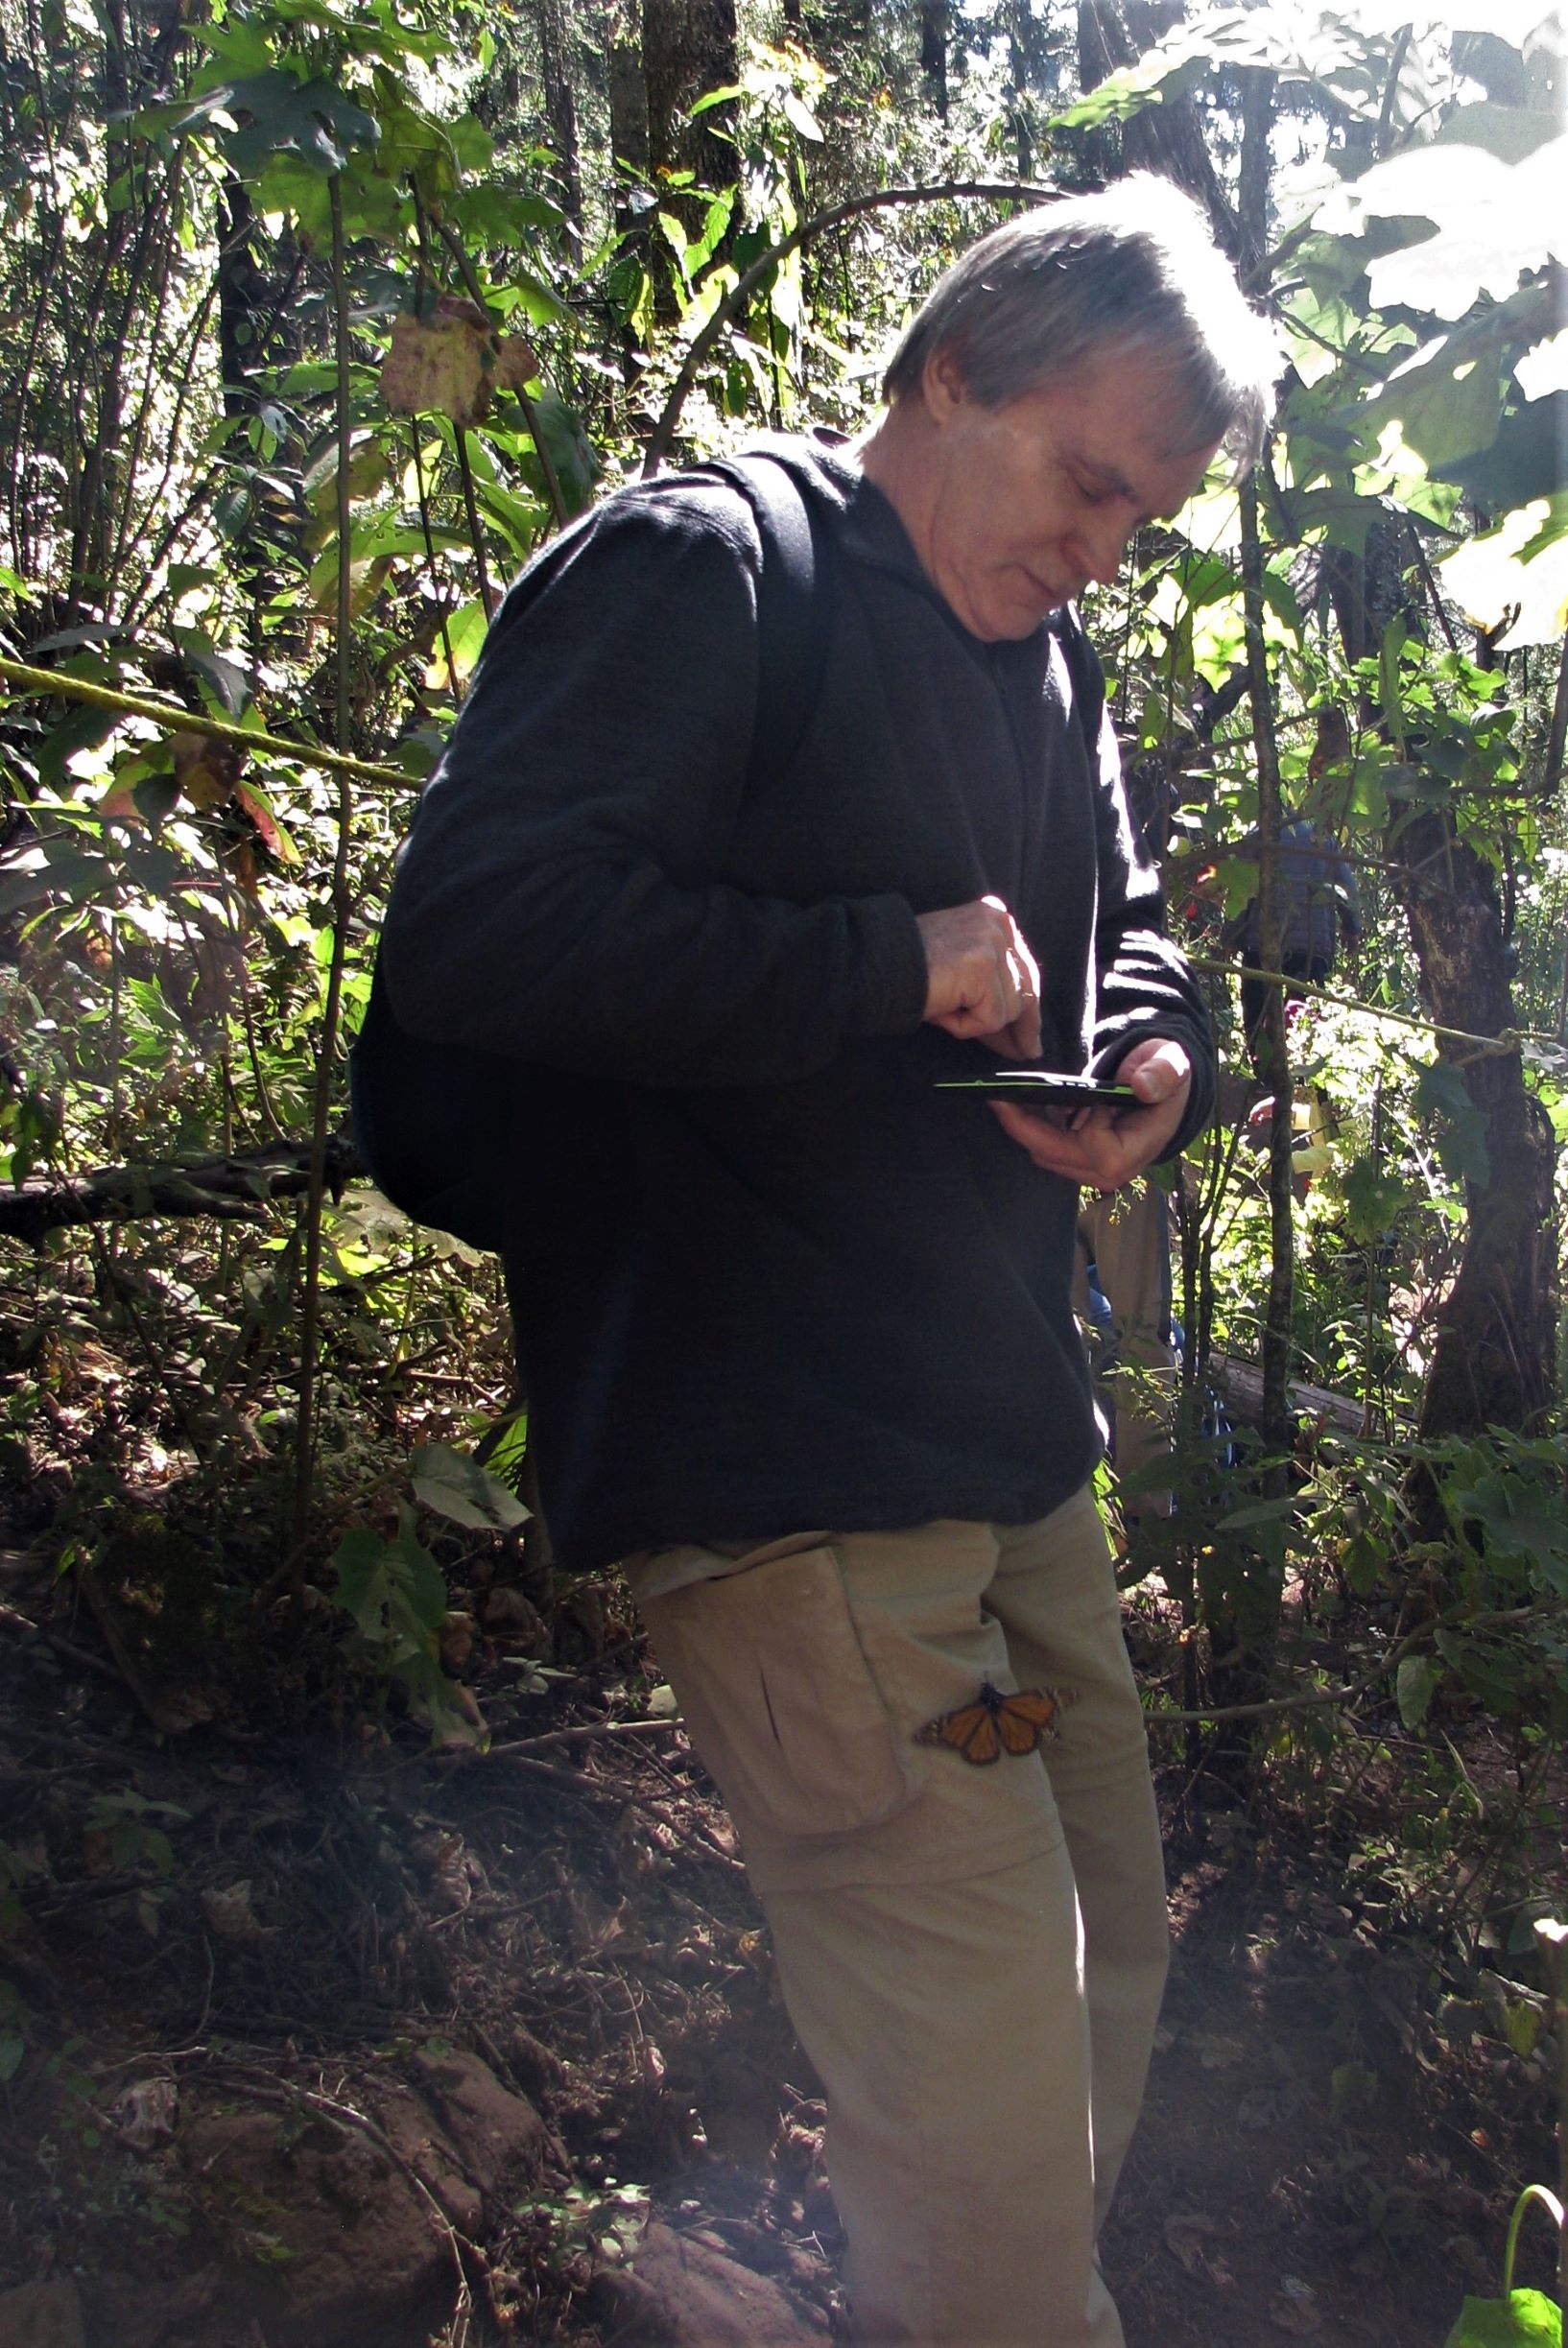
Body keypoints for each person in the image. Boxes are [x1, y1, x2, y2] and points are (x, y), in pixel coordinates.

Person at [379, 174, 1276, 2348]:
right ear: (949, 371)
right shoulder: (710, 571)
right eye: (1084, 477)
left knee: (1092, 1953)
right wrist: (877, 966)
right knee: (968, 2066)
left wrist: (1141, 1055)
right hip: (799, 1488)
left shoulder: (1046, 658)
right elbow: (484, 935)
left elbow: (1116, 914)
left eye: (1139, 518)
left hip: (1001, 1477)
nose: (1098, 545)